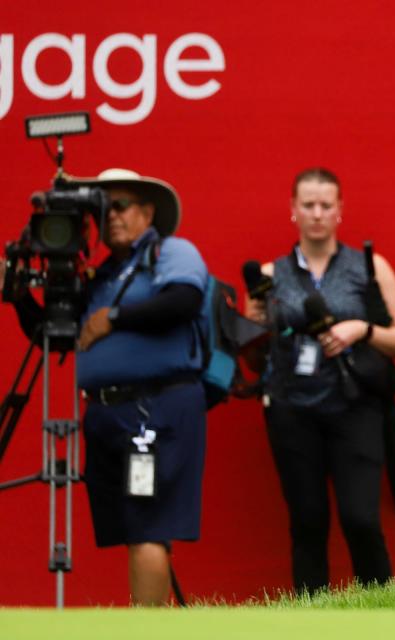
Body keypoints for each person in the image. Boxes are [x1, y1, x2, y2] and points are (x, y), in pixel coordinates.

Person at [8, 168, 208, 606]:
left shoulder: (170, 250)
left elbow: (184, 300)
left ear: (148, 211)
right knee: (136, 528)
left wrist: (114, 319)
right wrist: (19, 293)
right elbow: (53, 334)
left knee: (148, 528)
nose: (111, 217)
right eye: (104, 209)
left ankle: (144, 633)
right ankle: (153, 622)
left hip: (152, 410)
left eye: (120, 206)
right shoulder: (101, 275)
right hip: (106, 413)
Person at [244, 167, 395, 593]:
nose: (317, 213)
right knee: (307, 522)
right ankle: (310, 622)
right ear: (293, 211)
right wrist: (252, 324)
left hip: (354, 406)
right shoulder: (270, 274)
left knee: (361, 519)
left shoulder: (370, 267)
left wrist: (361, 330)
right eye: (308, 205)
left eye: (326, 205)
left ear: (340, 210)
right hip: (291, 409)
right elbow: (249, 351)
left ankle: (383, 618)